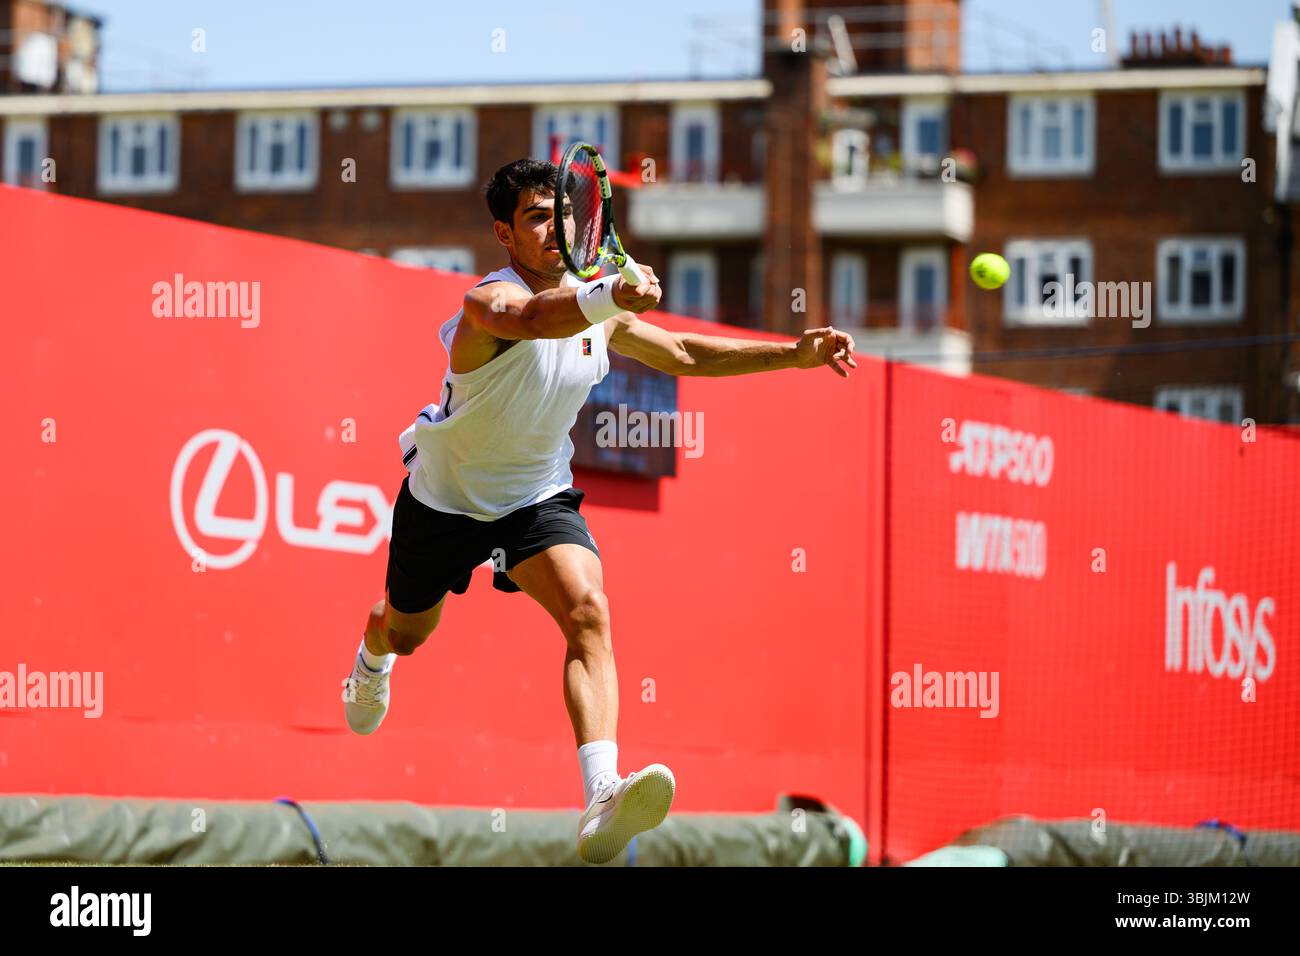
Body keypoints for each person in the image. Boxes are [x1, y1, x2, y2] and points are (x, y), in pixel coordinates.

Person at [342, 157, 857, 864]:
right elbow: (535, 317)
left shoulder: (594, 302)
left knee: (590, 610)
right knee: (405, 634)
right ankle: (371, 658)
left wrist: (791, 356)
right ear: (505, 233)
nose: (553, 229)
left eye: (560, 213)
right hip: (443, 500)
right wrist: (612, 293)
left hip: (534, 497)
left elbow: (681, 353)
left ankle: (602, 792)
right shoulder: (486, 306)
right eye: (534, 218)